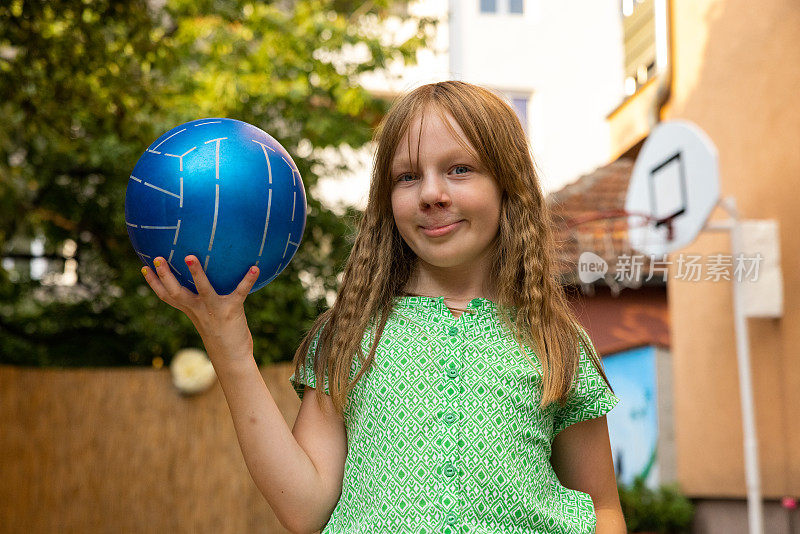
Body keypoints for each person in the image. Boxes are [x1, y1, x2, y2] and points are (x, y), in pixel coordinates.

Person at [142, 80, 625, 534]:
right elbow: (302, 506)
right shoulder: (350, 336)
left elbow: (601, 507)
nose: (432, 194)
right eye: (408, 177)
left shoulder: (555, 342)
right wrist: (230, 350)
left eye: (460, 169)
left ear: (508, 186)